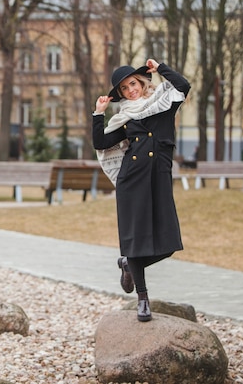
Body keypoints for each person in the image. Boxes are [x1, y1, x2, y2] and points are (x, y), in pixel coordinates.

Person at [92, 58, 191, 322]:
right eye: (124, 88)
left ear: (142, 82)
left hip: (158, 176)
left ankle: (128, 265)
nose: (130, 90)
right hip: (132, 180)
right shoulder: (124, 117)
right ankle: (143, 299)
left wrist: (161, 68)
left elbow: (183, 85)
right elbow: (100, 142)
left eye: (133, 84)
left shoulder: (164, 102)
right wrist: (98, 114)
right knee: (135, 241)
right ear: (121, 94)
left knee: (168, 242)